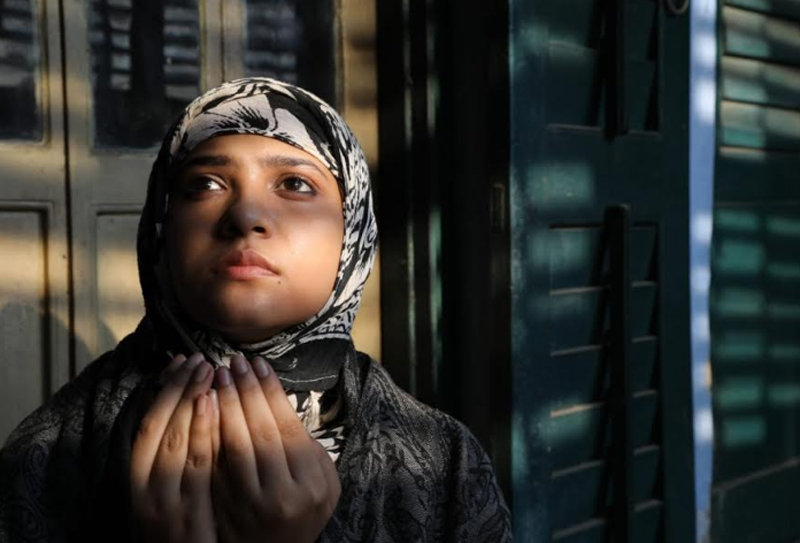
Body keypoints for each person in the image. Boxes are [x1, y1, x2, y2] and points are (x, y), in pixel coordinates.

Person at [0, 78, 512, 542]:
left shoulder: (445, 463)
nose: (245, 216)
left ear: (352, 233)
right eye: (205, 184)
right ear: (162, 227)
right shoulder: (52, 450)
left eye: (295, 184)